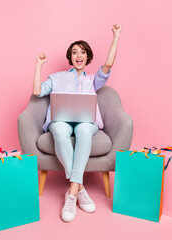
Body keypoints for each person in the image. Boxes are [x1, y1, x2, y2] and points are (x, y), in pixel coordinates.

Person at [32, 24, 122, 222]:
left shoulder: (93, 80)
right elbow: (37, 91)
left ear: (87, 57)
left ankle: (71, 194)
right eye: (74, 52)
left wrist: (116, 36)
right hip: (61, 120)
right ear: (70, 58)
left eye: (82, 52)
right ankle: (79, 188)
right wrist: (39, 66)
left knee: (82, 129)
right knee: (59, 127)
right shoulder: (56, 78)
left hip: (86, 122)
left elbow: (108, 64)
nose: (78, 55)